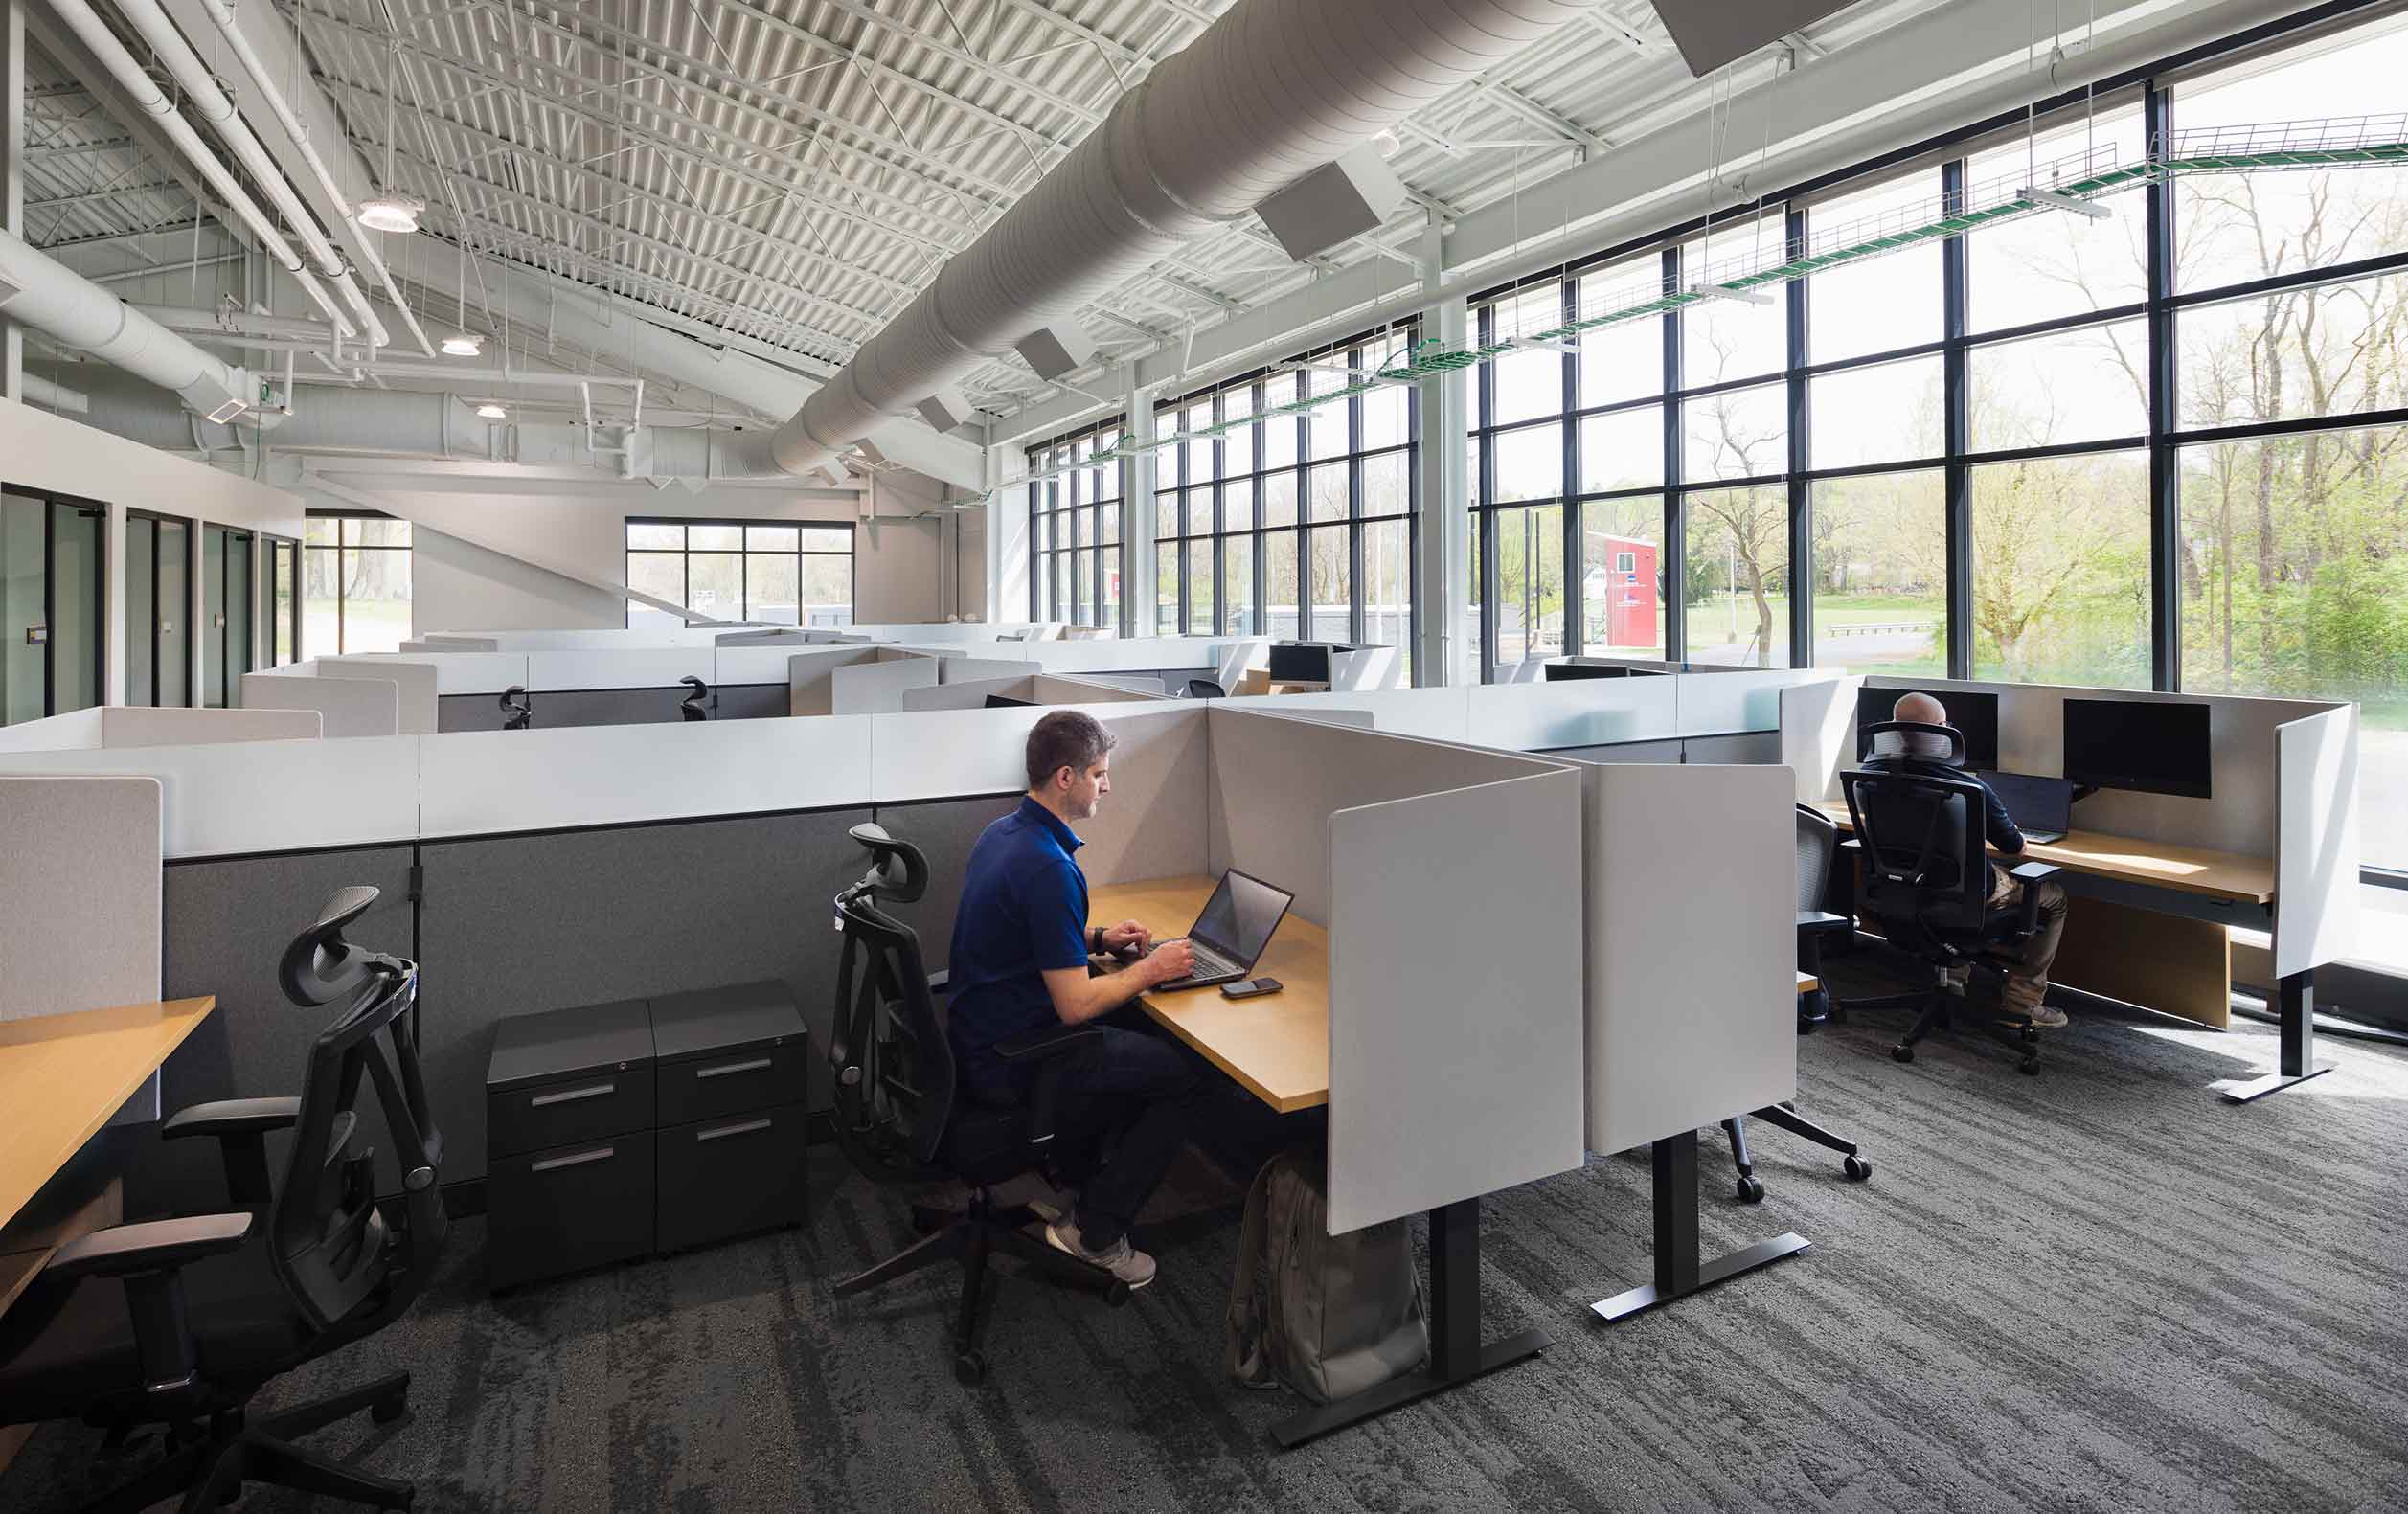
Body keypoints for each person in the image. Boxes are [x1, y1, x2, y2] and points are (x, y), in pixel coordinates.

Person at [944, 710, 1204, 1288]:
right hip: (1017, 1057)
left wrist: (1097, 939)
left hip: (977, 1036)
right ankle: (1094, 1231)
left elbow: (1017, 934)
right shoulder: (1048, 867)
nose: (1107, 785)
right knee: (1182, 1077)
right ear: (1066, 777)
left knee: (1140, 1043)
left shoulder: (1003, 834)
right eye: (1100, 773)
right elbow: (1076, 1007)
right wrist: (1152, 968)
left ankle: (1076, 1174)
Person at [1865, 691, 2071, 1028]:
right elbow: (2014, 848)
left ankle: (1954, 980)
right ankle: (2022, 1004)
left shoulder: (1870, 777)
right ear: (1941, 733)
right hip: (1962, 897)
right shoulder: (1968, 789)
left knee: (1961, 876)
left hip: (1904, 891)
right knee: (2053, 896)